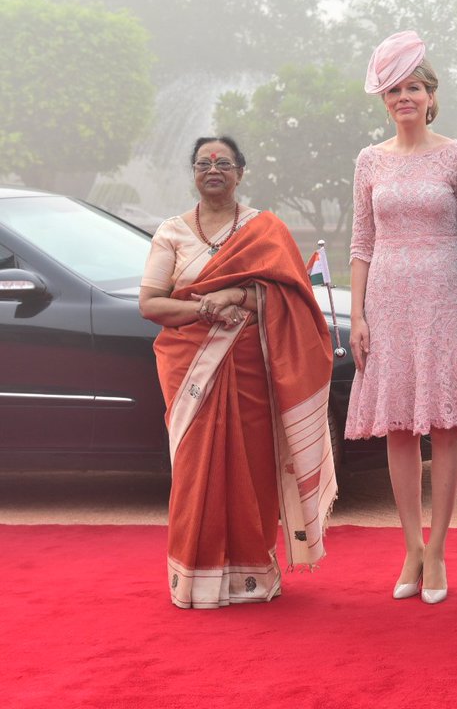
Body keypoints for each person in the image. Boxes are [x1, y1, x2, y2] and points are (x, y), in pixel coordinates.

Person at [139, 136, 337, 609]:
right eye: (204, 163)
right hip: (192, 371)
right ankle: (195, 580)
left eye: (223, 162)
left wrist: (233, 296)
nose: (213, 169)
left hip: (250, 371)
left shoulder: (264, 229)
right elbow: (150, 304)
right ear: (193, 172)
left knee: (251, 468)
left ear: (240, 172)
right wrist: (204, 311)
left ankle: (251, 575)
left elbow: (292, 299)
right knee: (194, 471)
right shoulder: (171, 232)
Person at [344, 31, 457, 605]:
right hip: (386, 302)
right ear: (384, 100)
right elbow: (362, 242)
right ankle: (409, 545)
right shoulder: (368, 161)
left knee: (445, 424)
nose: (403, 97)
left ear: (431, 95)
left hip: (444, 299)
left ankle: (438, 549)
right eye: (393, 90)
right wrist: (358, 317)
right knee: (400, 426)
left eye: (413, 87)